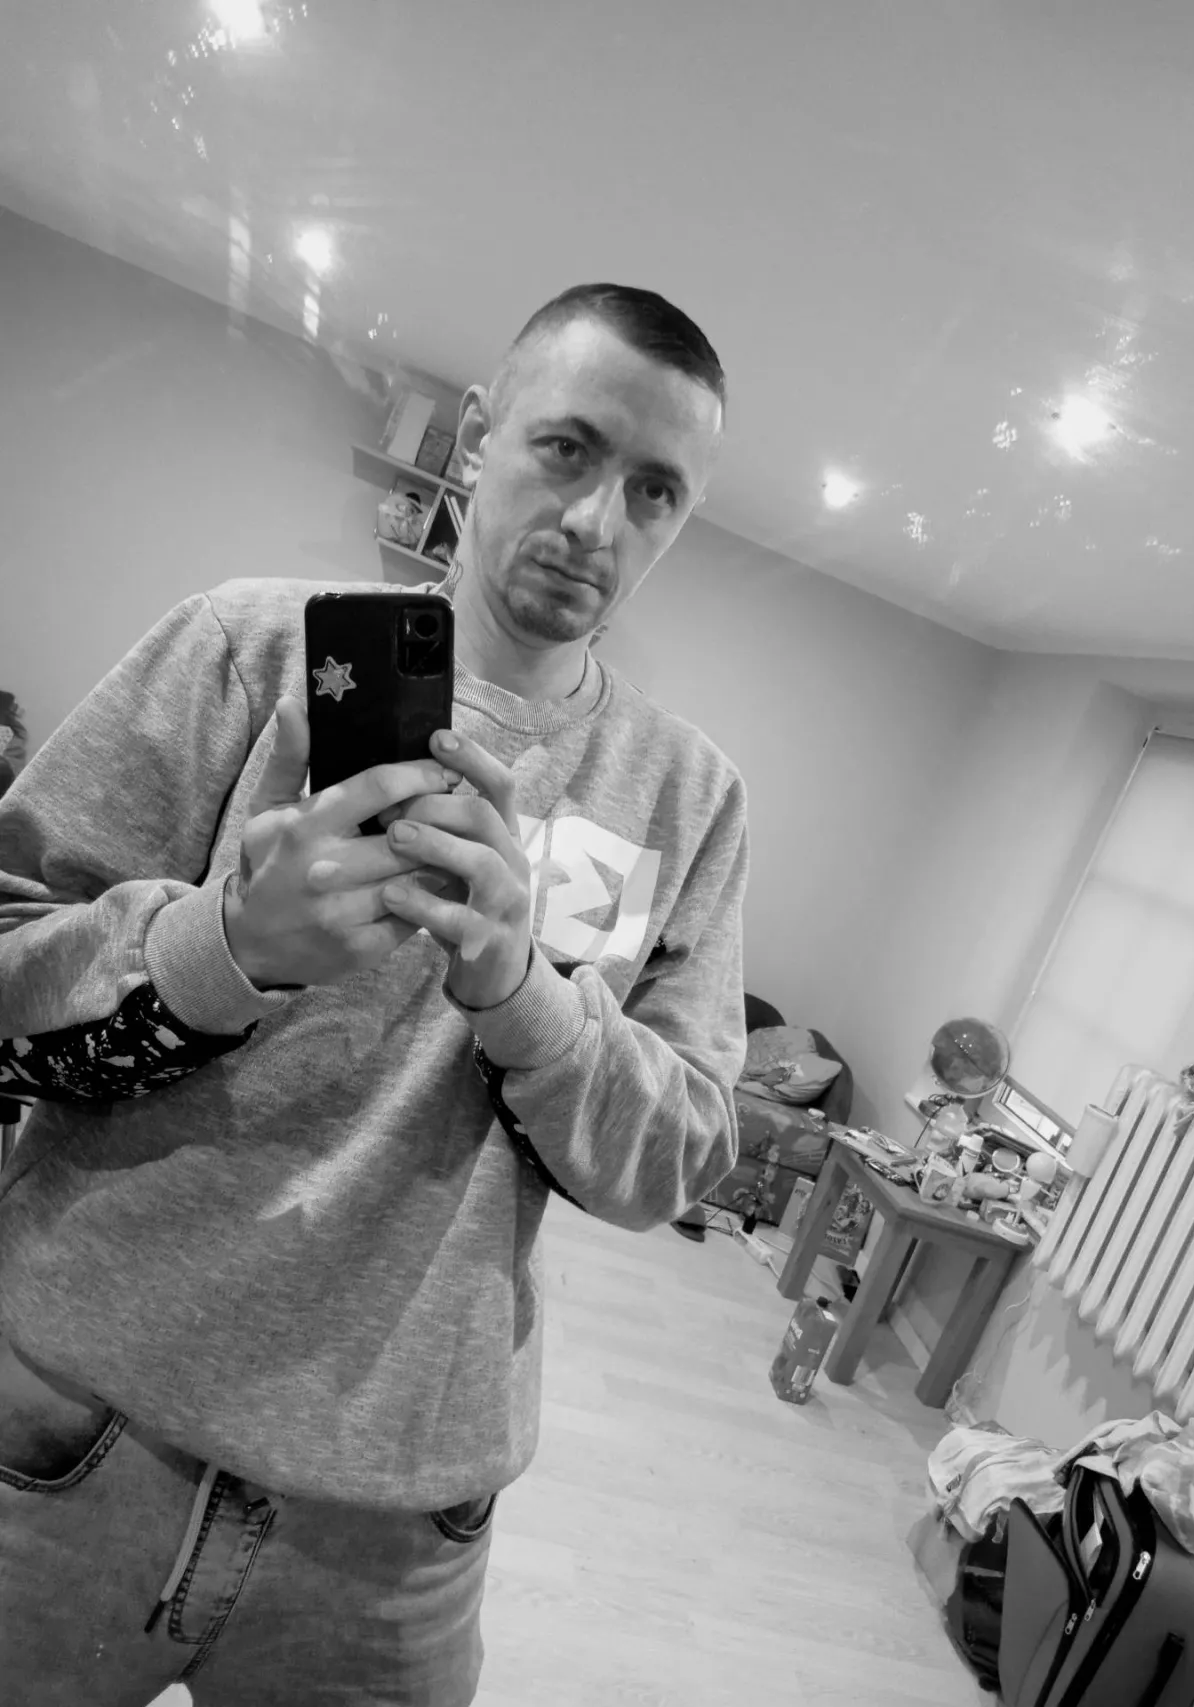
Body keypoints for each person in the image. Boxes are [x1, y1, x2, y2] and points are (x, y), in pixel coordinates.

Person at [0, 283, 749, 1705]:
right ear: (477, 433)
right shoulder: (246, 647)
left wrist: (525, 995)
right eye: (569, 448)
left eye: (656, 491)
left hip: (397, 1525)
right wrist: (226, 944)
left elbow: (672, 1162)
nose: (598, 523)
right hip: (72, 1433)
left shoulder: (689, 798)